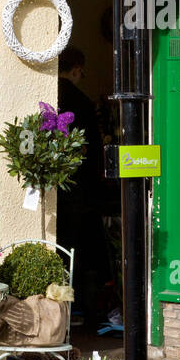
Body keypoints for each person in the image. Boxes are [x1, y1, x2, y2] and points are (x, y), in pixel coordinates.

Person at [57, 48, 115, 333]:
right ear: (77, 69)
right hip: (82, 192)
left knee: (65, 252)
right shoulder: (80, 100)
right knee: (88, 256)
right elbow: (90, 151)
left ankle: (68, 313)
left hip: (60, 191)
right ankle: (89, 316)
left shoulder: (51, 95)